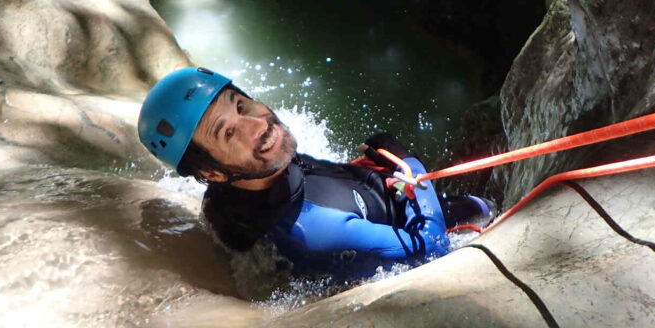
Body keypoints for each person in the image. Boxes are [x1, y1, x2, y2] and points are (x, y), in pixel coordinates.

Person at [137, 67, 495, 278]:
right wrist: (409, 162)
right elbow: (431, 249)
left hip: (373, 204)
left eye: (242, 105)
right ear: (211, 173)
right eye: (229, 133)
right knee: (483, 206)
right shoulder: (313, 230)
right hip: (422, 227)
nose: (257, 126)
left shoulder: (237, 189)